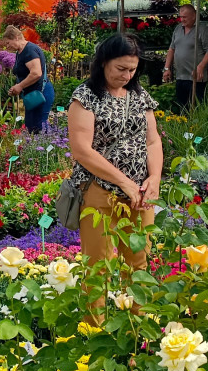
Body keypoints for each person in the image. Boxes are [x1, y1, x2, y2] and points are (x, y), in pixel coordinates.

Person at [67, 34, 162, 297]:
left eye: (132, 69)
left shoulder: (139, 95)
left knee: (139, 265)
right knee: (97, 268)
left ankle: (138, 332)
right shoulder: (85, 97)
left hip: (141, 194)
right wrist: (124, 183)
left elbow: (153, 141)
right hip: (100, 190)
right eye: (121, 69)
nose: (127, 75)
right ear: (103, 63)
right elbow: (82, 151)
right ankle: (93, 332)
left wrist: (154, 178)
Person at [162, 3, 208, 111]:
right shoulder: (178, 29)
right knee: (182, 108)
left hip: (196, 77)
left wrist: (200, 66)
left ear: (194, 16)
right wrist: (167, 68)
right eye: (181, 17)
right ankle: (183, 127)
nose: (182, 20)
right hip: (180, 76)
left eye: (185, 17)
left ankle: (196, 127)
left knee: (196, 108)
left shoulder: (201, 30)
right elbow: (171, 49)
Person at [4, 25, 55, 133]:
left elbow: (36, 73)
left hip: (41, 95)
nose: (7, 46)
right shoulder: (20, 52)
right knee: (31, 128)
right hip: (32, 96)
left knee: (39, 129)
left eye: (8, 42)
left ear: (16, 38)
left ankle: (46, 149)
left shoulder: (29, 51)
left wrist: (20, 86)